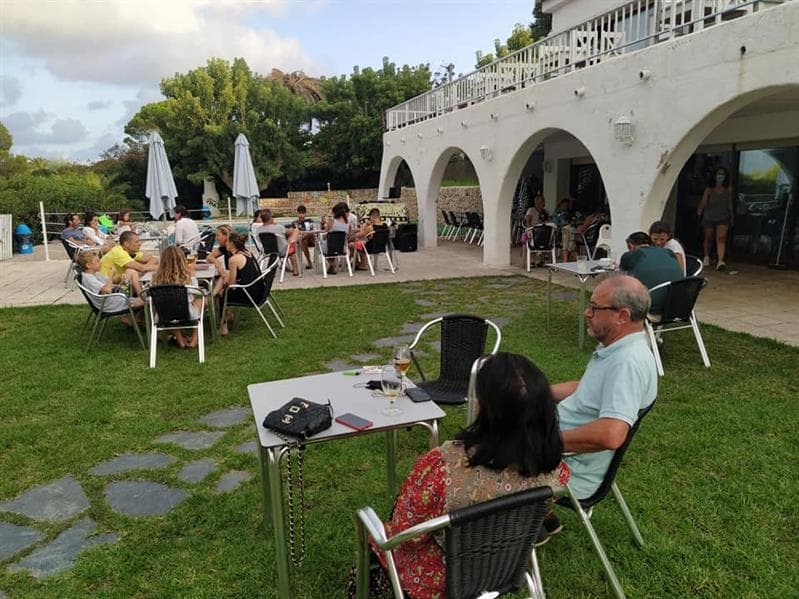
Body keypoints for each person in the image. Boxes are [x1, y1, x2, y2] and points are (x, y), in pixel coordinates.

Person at [369, 353, 570, 599]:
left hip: (438, 581)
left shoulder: (442, 467)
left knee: (375, 535)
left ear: (485, 407)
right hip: (503, 570)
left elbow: (406, 536)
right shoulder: (556, 472)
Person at [550, 274, 657, 502]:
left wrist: (542, 443)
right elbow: (591, 388)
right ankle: (536, 518)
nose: (586, 313)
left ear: (622, 316)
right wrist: (538, 391)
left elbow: (611, 434)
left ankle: (516, 521)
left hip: (568, 469)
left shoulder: (627, 363)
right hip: (560, 450)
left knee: (471, 464)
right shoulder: (620, 348)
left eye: (594, 308)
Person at [150, 246, 204, 348]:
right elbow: (195, 293)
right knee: (200, 300)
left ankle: (180, 339)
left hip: (163, 314)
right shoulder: (188, 275)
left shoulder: (156, 278)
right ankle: (194, 338)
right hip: (187, 312)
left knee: (168, 304)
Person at [213, 232, 265, 336]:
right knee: (222, 284)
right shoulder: (247, 252)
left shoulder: (233, 259)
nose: (224, 244)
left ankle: (224, 328)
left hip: (248, 295)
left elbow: (231, 284)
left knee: (220, 294)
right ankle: (226, 315)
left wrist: (223, 281)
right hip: (260, 291)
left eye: (226, 242)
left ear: (231, 243)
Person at [619, 232, 683, 314]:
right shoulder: (668, 252)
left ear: (630, 246)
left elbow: (621, 280)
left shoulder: (630, 255)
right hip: (678, 303)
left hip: (649, 303)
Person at [75, 252, 144, 321]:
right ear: (88, 265)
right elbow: (108, 290)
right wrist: (111, 275)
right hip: (113, 304)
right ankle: (140, 303)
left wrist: (121, 278)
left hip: (115, 297)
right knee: (147, 300)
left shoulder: (95, 274)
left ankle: (136, 312)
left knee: (130, 272)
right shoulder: (89, 279)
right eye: (97, 261)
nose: (101, 262)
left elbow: (112, 281)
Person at [100, 231, 159, 296]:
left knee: (136, 271)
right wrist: (162, 267)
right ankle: (141, 296)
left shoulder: (130, 251)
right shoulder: (118, 252)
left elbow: (154, 259)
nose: (140, 244)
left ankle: (142, 295)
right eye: (136, 242)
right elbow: (141, 268)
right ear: (126, 244)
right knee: (131, 271)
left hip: (120, 279)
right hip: (107, 282)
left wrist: (144, 269)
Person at [697, 166, 733, 270]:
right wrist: (700, 210)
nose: (720, 176)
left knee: (721, 238)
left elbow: (730, 204)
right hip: (709, 217)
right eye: (719, 174)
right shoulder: (709, 189)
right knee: (708, 238)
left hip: (724, 216)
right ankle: (706, 256)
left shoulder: (728, 189)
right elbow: (703, 202)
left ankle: (720, 260)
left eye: (722, 174)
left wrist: (732, 216)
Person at [255, 209, 300, 276]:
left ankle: (289, 242)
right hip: (282, 251)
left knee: (288, 241)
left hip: (268, 251)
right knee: (295, 232)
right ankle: (295, 271)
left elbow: (259, 240)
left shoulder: (259, 230)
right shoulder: (279, 227)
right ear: (270, 218)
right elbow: (290, 231)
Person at [323, 202, 353, 274]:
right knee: (334, 243)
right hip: (342, 248)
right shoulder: (348, 224)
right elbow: (348, 235)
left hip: (329, 248)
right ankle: (333, 265)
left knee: (322, 243)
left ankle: (332, 264)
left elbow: (325, 234)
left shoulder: (332, 222)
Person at [294, 205, 316, 269]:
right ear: (298, 213)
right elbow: (294, 232)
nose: (301, 215)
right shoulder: (295, 222)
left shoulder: (310, 221)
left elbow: (313, 231)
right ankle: (309, 262)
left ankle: (302, 238)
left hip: (311, 239)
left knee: (309, 233)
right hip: (301, 240)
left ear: (305, 213)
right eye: (300, 213)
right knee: (304, 241)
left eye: (303, 213)